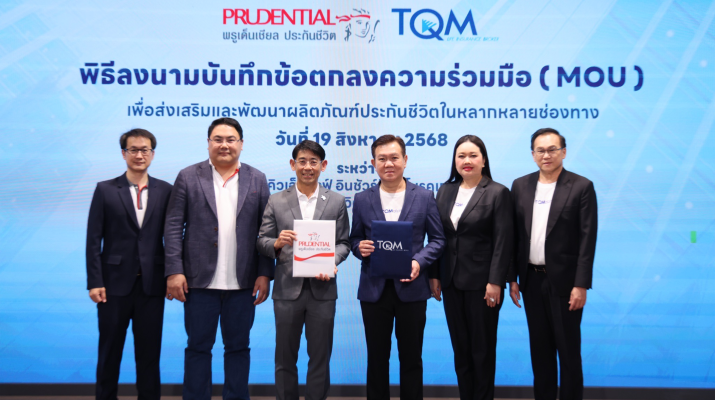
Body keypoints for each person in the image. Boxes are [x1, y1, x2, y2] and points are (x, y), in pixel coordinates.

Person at [164, 117, 273, 400]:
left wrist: (265, 273)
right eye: (218, 139)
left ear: (241, 144)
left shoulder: (257, 178)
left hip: (243, 282)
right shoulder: (188, 176)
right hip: (198, 282)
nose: (224, 145)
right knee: (198, 347)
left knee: (238, 348)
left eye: (230, 139)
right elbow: (173, 226)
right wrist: (174, 270)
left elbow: (266, 230)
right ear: (208, 143)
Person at [349, 135, 445, 400]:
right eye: (382, 159)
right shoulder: (362, 199)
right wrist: (359, 248)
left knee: (411, 358)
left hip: (412, 289)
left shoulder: (424, 196)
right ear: (373, 163)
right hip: (373, 290)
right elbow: (354, 238)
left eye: (394, 158)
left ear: (405, 160)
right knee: (376, 359)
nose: (388, 163)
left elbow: (438, 240)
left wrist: (418, 261)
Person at [507, 128, 598, 400]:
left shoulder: (581, 186)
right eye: (540, 150)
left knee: (568, 352)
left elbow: (587, 240)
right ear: (533, 154)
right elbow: (513, 236)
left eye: (552, 150)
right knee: (540, 352)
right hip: (531, 280)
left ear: (564, 152)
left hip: (566, 283)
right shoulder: (520, 185)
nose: (546, 155)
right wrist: (512, 278)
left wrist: (581, 284)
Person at [257, 140, 350, 400]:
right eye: (302, 161)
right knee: (284, 357)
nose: (307, 167)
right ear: (292, 164)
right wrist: (276, 243)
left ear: (323, 165)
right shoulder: (276, 200)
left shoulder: (336, 201)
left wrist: (332, 260)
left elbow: (344, 243)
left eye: (313, 162)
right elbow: (262, 241)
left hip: (323, 290)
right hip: (287, 291)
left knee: (320, 357)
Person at [86, 128, 173, 400]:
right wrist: (95, 281)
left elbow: (172, 238)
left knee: (149, 354)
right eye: (133, 149)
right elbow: (93, 240)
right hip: (112, 286)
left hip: (152, 286)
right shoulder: (105, 189)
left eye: (145, 149)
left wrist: (172, 275)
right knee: (109, 351)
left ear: (152, 154)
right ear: (124, 153)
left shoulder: (166, 190)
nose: (139, 155)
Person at [429, 135, 513, 400]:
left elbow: (503, 241)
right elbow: (439, 237)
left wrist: (496, 281)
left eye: (473, 155)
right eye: (461, 156)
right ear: (454, 161)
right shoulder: (445, 190)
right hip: (451, 281)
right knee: (461, 349)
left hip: (483, 285)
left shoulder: (498, 192)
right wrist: (434, 274)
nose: (467, 160)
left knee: (482, 350)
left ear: (484, 160)